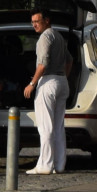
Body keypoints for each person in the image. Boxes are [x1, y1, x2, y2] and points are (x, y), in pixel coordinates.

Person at [23, 9, 69, 175]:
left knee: (45, 126)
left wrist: (32, 83)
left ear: (47, 20)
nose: (34, 24)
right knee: (58, 126)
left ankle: (45, 165)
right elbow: (69, 60)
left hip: (48, 81)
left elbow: (42, 63)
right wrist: (64, 77)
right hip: (62, 81)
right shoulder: (59, 36)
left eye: (37, 21)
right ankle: (59, 164)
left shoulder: (45, 37)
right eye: (32, 21)